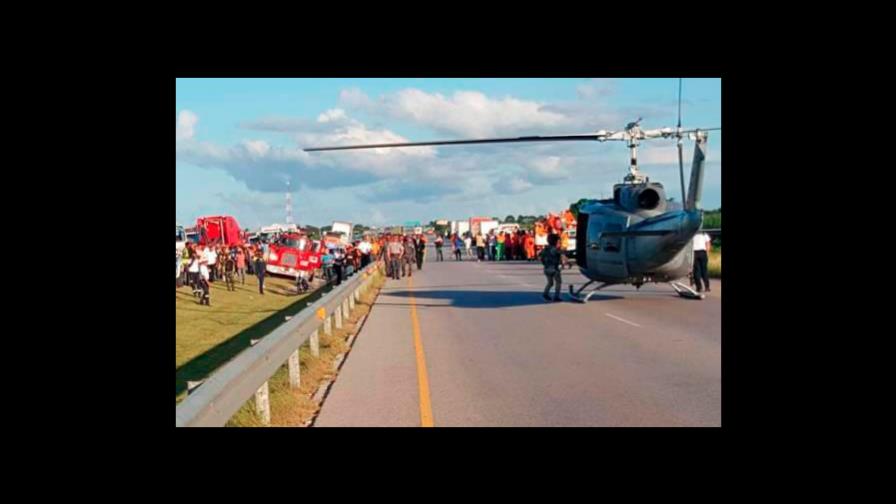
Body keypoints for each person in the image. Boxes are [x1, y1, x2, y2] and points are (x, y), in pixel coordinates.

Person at [539, 233, 567, 302]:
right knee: (558, 282)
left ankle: (545, 294)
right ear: (555, 242)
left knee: (550, 283)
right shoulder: (555, 249)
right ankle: (556, 296)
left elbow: (541, 258)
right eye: (558, 241)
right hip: (554, 269)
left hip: (546, 269)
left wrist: (545, 264)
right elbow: (561, 253)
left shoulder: (545, 249)